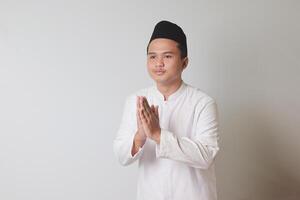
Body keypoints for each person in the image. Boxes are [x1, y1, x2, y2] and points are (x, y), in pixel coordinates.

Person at [113, 20, 220, 200]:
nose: (159, 63)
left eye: (167, 56)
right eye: (152, 56)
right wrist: (140, 135)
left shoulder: (202, 102)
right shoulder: (136, 100)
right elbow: (121, 156)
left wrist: (158, 135)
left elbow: (207, 155)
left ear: (184, 62)